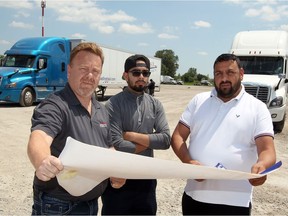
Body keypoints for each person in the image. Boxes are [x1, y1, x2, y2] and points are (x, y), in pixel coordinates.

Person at [171, 53, 276, 215]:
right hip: (195, 197)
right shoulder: (199, 101)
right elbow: (177, 136)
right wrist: (188, 161)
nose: (224, 78)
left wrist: (262, 166)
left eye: (230, 73)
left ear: (241, 74)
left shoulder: (257, 108)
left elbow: (267, 150)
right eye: (218, 74)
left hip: (236, 202)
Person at [27, 42, 112, 215]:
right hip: (59, 205)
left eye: (95, 71)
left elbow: (108, 147)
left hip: (91, 204)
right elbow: (40, 136)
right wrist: (42, 160)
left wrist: (116, 171)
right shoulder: (55, 105)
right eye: (83, 69)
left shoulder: (101, 110)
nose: (90, 75)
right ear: (69, 71)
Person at [101, 54, 171, 215]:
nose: (141, 77)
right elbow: (117, 144)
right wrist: (149, 142)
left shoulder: (155, 104)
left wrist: (131, 135)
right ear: (125, 75)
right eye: (136, 72)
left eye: (145, 73)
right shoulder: (112, 105)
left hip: (146, 180)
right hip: (117, 180)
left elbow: (166, 140)